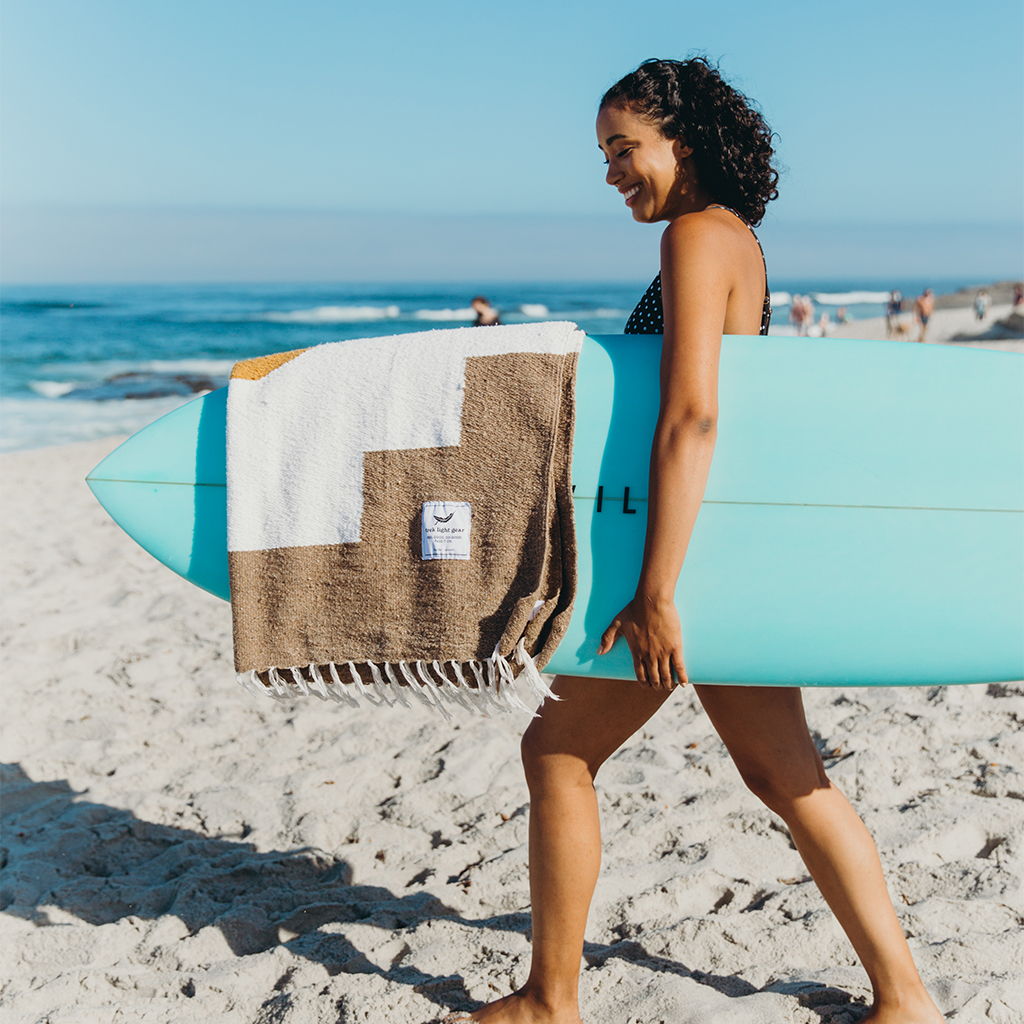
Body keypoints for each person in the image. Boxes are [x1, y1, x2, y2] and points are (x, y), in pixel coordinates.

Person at [441, 56, 944, 1024]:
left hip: (687, 558)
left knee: (556, 750)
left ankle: (550, 1000)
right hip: (729, 549)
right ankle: (903, 996)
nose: (610, 172)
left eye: (622, 149)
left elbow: (690, 421)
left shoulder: (692, 238)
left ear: (684, 143)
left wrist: (658, 588)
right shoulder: (737, 239)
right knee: (784, 774)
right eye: (603, 154)